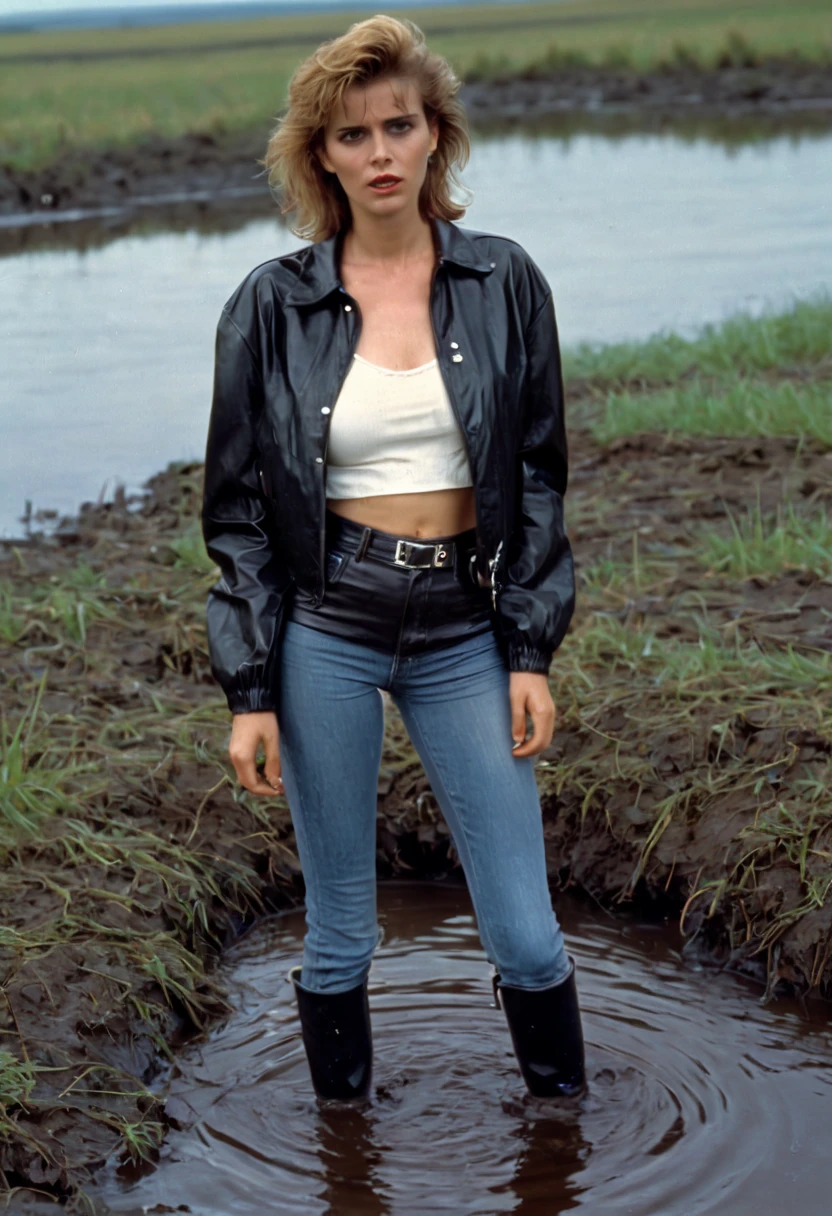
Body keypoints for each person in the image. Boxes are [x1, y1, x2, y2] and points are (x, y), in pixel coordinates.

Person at [200, 13, 587, 1105]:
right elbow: (234, 512)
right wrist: (250, 685)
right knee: (337, 927)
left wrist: (528, 648)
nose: (378, 152)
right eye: (352, 133)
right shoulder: (271, 305)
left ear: (435, 138)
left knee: (523, 928)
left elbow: (540, 472)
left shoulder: (505, 281)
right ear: (320, 153)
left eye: (398, 126)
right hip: (326, 626)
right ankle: (344, 1148)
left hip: (465, 626)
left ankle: (560, 1141)